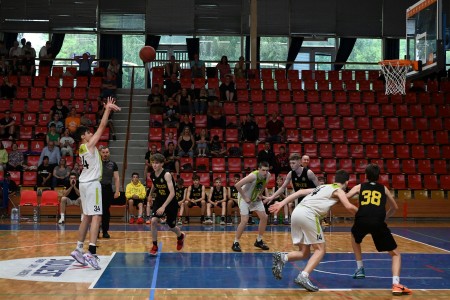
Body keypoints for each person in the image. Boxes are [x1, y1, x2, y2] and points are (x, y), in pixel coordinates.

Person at [270, 169, 358, 292]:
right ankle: (303, 276)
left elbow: (300, 192)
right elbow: (348, 205)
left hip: (296, 213)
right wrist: (362, 214)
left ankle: (283, 257)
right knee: (320, 249)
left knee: (304, 253)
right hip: (308, 214)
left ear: (334, 180)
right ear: (347, 183)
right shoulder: (338, 190)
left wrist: (281, 203)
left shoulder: (323, 187)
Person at [70, 97, 121, 270]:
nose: (92, 134)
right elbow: (102, 127)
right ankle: (91, 252)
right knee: (97, 216)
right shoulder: (89, 145)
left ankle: (78, 248)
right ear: (83, 136)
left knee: (86, 216)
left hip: (84, 183)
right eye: (89, 133)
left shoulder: (82, 149)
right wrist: (107, 109)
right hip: (92, 184)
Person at [346, 164, 412, 296]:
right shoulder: (384, 189)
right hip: (378, 222)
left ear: (365, 176)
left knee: (354, 236)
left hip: (362, 219)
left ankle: (360, 268)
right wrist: (385, 216)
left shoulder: (360, 186)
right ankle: (396, 284)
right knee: (396, 254)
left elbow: (346, 197)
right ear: (379, 177)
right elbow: (395, 207)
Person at [147, 153, 185, 255]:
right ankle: (154, 245)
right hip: (159, 199)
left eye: (157, 163)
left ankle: (180, 236)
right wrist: (150, 195)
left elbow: (172, 193)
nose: (154, 165)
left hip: (170, 202)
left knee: (171, 226)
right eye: (153, 163)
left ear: (162, 164)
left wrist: (164, 207)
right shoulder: (152, 174)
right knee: (154, 221)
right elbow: (154, 185)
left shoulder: (167, 175)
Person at [231, 161, 271, 252]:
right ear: (259, 169)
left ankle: (259, 240)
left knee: (264, 217)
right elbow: (237, 185)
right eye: (263, 170)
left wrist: (260, 194)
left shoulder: (268, 175)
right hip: (244, 197)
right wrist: (245, 197)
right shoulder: (253, 176)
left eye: (267, 170)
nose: (265, 172)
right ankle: (235, 242)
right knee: (245, 220)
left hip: (254, 197)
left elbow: (263, 185)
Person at [100, 146, 120, 238]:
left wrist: (117, 191)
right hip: (96, 189)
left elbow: (116, 178)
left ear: (109, 153)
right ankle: (95, 231)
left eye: (107, 152)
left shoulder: (113, 164)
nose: (105, 154)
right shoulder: (96, 163)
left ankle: (105, 231)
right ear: (100, 153)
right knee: (96, 211)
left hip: (107, 189)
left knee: (106, 211)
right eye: (103, 152)